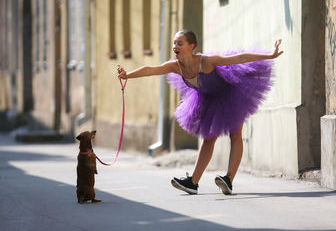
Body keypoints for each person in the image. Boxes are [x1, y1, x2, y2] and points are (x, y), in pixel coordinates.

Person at [117, 29, 283, 195]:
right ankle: (193, 183)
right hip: (209, 98)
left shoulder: (207, 62)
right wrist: (127, 76)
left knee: (235, 134)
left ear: (191, 46)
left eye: (179, 43)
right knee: (208, 138)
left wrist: (270, 56)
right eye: (174, 43)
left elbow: (240, 58)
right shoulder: (176, 66)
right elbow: (150, 69)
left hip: (231, 93)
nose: (175, 46)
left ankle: (228, 180)